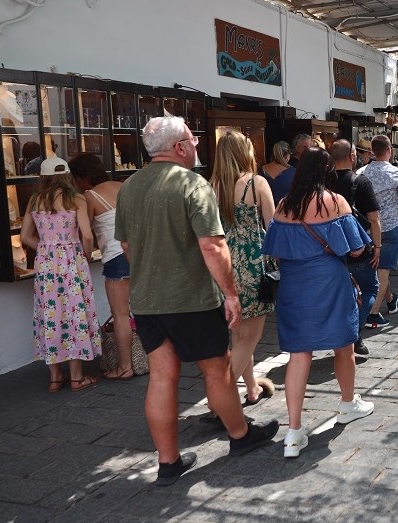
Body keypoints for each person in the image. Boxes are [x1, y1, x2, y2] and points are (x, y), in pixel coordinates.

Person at [115, 116, 278, 486]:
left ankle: (168, 461)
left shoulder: (130, 187)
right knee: (215, 371)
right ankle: (240, 435)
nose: (197, 146)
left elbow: (125, 245)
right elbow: (213, 245)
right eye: (192, 140)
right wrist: (231, 294)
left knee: (161, 376)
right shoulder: (192, 184)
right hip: (191, 298)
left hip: (146, 299)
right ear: (178, 147)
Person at [261, 148, 375, 458]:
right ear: (326, 172)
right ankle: (348, 404)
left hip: (294, 286)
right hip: (330, 282)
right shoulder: (335, 201)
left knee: (299, 357)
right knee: (343, 347)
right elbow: (355, 250)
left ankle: (294, 432)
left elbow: (274, 249)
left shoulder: (284, 206)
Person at [20, 157, 102, 392]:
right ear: (67, 175)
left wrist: (46, 249)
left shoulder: (36, 200)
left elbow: (25, 236)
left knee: (50, 313)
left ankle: (55, 377)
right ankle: (76, 376)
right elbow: (86, 235)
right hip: (72, 263)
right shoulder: (76, 198)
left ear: (43, 177)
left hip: (46, 264)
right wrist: (84, 254)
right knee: (73, 312)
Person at [208, 131, 276, 407]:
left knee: (237, 334)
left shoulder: (211, 186)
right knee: (251, 336)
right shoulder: (256, 183)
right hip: (252, 262)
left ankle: (251, 389)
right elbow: (274, 229)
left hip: (223, 263)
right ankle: (218, 400)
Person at [70, 153, 133, 380]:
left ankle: (125, 366)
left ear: (83, 178)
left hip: (116, 257)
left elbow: (84, 233)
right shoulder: (124, 186)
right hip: (140, 254)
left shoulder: (89, 196)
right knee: (145, 311)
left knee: (120, 314)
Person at [359, 135, 398, 328]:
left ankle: (390, 299)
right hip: (391, 226)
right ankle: (373, 313)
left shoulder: (361, 173)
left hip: (368, 228)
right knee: (384, 270)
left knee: (377, 268)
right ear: (389, 151)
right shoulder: (397, 174)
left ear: (372, 151)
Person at [330, 139, 382, 360]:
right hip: (358, 247)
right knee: (370, 288)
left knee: (339, 294)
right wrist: (378, 247)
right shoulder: (361, 182)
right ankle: (354, 333)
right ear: (352, 157)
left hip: (331, 249)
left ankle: (344, 333)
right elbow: (373, 219)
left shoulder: (323, 183)